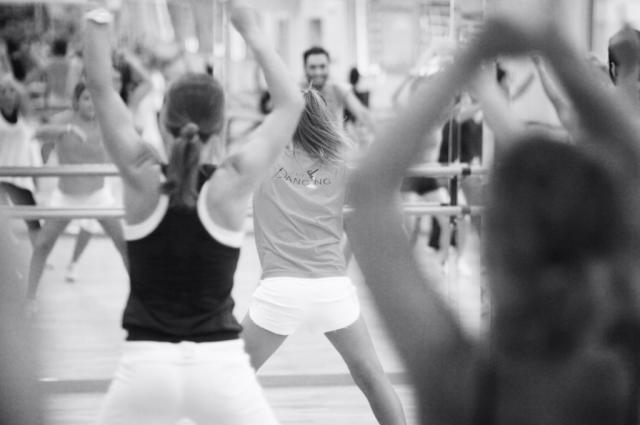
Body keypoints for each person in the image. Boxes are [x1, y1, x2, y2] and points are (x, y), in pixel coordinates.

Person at [345, 5, 640, 425]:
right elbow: (632, 168)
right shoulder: (624, 373)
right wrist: (556, 48)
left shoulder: (454, 385)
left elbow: (369, 193)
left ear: (490, 254)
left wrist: (472, 55)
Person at [83, 2, 303, 423]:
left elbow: (100, 87)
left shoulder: (142, 176)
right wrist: (250, 31)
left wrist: (100, 14)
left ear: (162, 118)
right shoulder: (231, 183)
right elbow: (290, 104)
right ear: (221, 125)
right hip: (220, 368)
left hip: (146, 367)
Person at [242, 89, 407, 425]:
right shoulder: (340, 167)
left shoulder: (265, 159)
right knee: (373, 378)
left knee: (231, 377)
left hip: (280, 291)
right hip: (331, 288)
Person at [27, 81, 128, 301]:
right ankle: (29, 298)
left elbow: (127, 137)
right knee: (43, 245)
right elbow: (38, 133)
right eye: (86, 98)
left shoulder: (105, 121)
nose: (91, 103)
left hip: (98, 195)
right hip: (66, 196)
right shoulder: (65, 119)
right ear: (76, 101)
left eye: (94, 98)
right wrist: (67, 129)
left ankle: (142, 298)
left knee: (124, 244)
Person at [0, 75, 42, 246]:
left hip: (20, 180)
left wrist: (36, 175)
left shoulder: (26, 120)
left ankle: (39, 255)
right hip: (2, 178)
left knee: (34, 224)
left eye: (11, 91)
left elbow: (33, 147)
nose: (7, 95)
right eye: (3, 92)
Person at [302, 46, 374, 131]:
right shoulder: (297, 93)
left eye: (322, 66)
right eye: (312, 67)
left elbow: (364, 115)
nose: (318, 72)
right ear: (305, 68)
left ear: (328, 66)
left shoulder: (338, 89)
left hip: (336, 139)